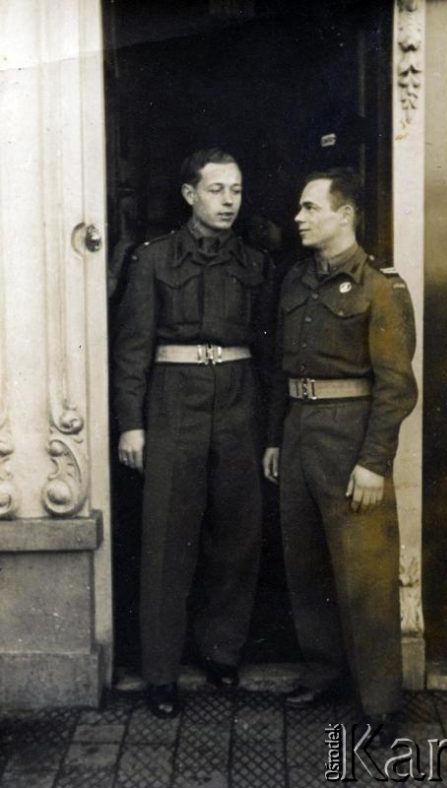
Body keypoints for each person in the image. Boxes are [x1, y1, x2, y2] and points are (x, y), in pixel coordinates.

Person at [113, 148, 272, 718]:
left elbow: (270, 353)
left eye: (235, 190)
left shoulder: (256, 263)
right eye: (216, 190)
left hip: (238, 402)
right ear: (189, 195)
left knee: (237, 534)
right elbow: (132, 349)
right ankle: (160, 673)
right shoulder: (152, 261)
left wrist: (269, 429)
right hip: (173, 403)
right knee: (166, 539)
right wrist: (131, 423)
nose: (228, 201)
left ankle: (221, 652)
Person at [263, 168, 417, 741]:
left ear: (344, 214)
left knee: (366, 577)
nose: (299, 218)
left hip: (352, 440)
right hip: (301, 433)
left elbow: (397, 385)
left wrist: (374, 461)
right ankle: (324, 672)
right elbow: (283, 369)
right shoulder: (296, 281)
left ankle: (380, 703)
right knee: (305, 566)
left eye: (310, 208)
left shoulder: (381, 288)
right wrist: (278, 438)